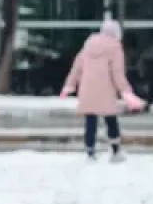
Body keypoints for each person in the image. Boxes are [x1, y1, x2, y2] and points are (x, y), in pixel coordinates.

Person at [60, 19, 147, 161]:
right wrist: (126, 91)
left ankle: (90, 152)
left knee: (90, 120)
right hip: (106, 90)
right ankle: (115, 151)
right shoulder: (115, 47)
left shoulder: (88, 45)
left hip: (87, 88)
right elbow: (117, 73)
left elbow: (77, 67)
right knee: (111, 120)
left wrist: (69, 85)